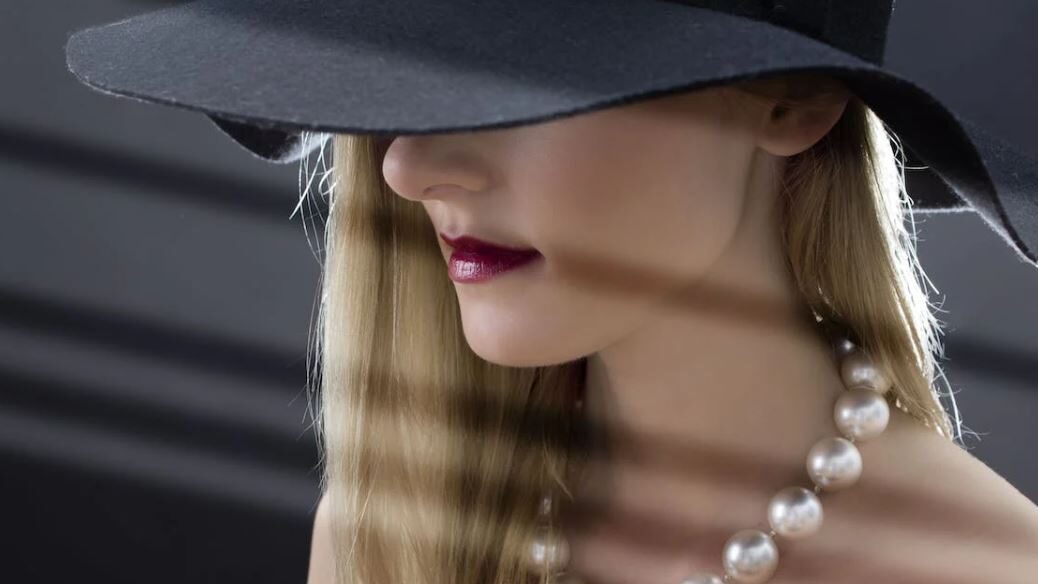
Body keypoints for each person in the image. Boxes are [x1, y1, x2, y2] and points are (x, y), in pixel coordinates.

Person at [64, 1, 1038, 582]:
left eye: (519, 77)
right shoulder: (384, 541)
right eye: (397, 80)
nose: (408, 168)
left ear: (791, 102)